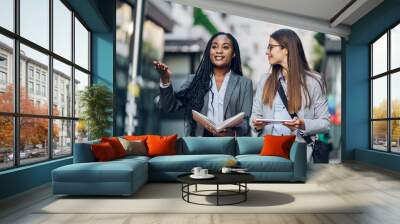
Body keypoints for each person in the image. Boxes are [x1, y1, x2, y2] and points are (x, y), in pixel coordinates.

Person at [154, 32, 253, 137]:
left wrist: (233, 133)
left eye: (225, 47)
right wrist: (165, 79)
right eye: (214, 47)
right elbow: (169, 106)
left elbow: (245, 122)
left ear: (233, 53)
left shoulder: (244, 84)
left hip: (230, 145)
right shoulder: (195, 81)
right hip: (199, 145)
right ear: (209, 52)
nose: (219, 51)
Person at [251, 28, 330, 145]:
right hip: (269, 151)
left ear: (285, 49)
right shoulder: (264, 80)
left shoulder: (314, 82)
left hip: (298, 151)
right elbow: (255, 116)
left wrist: (303, 124)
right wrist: (256, 125)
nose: (267, 52)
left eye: (271, 47)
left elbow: (325, 124)